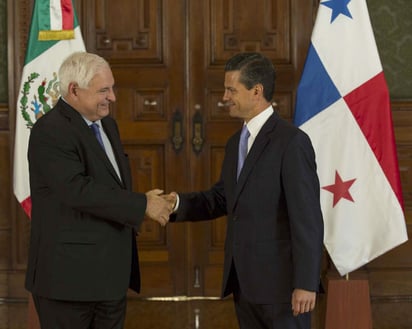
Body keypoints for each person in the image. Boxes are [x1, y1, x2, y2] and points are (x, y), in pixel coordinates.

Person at [167, 52, 324, 329]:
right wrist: (176, 204)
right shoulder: (234, 144)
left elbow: (307, 219)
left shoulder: (292, 143)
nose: (224, 97)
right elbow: (222, 198)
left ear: (256, 91)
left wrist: (306, 284)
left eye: (231, 90)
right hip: (245, 286)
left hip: (282, 290)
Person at [25, 51, 172, 329]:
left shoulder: (108, 125)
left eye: (112, 88)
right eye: (104, 90)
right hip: (69, 282)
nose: (113, 97)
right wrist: (142, 205)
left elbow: (110, 184)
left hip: (109, 278)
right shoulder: (51, 130)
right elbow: (76, 190)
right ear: (74, 90)